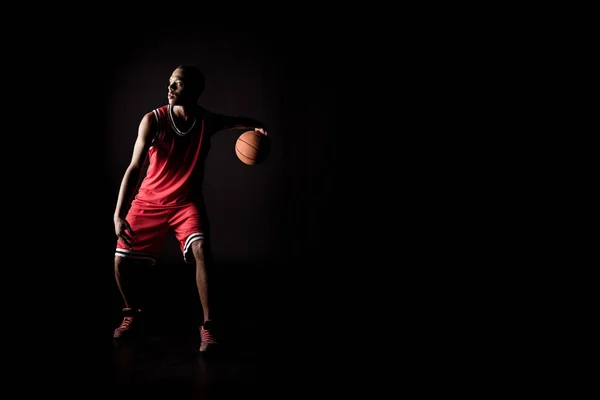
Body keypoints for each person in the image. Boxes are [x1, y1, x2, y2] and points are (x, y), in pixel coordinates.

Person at [112, 64, 267, 352]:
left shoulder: (205, 121)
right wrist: (118, 213)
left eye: (178, 83)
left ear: (194, 90)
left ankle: (209, 326)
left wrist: (255, 124)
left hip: (186, 202)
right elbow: (135, 168)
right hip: (149, 200)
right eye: (170, 82)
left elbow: (231, 121)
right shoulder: (153, 120)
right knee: (120, 260)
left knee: (202, 249)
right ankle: (131, 313)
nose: (170, 87)